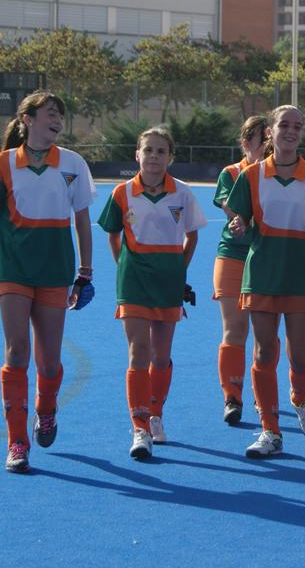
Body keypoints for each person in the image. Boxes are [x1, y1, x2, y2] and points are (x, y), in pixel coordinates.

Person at [0, 92, 95, 473]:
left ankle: (47, 408)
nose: (57, 120)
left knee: (50, 361)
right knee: (17, 352)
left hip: (55, 272)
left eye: (60, 115)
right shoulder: (3, 163)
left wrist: (85, 271)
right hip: (13, 271)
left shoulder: (73, 163)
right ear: (27, 119)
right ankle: (17, 442)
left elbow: (82, 220)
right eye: (50, 113)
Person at [225, 104, 305, 459]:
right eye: (284, 125)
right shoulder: (251, 175)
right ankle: (270, 429)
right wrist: (239, 227)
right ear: (270, 131)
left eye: (297, 126)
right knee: (264, 351)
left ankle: (300, 397)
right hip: (262, 275)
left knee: (299, 358)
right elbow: (240, 222)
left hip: (302, 275)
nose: (291, 131)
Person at [98, 127, 207, 460]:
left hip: (168, 284)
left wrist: (179, 269)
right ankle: (140, 427)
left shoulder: (183, 193)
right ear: (137, 155)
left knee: (161, 355)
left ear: (170, 157)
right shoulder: (121, 192)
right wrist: (123, 265)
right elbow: (113, 235)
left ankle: (156, 413)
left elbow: (192, 236)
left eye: (161, 151)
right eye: (148, 150)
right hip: (132, 282)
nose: (154, 156)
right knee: (138, 353)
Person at [214, 115, 270, 425]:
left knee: (265, 335)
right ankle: (232, 397)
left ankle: (265, 395)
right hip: (233, 256)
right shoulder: (231, 173)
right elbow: (232, 209)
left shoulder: (280, 174)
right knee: (235, 329)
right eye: (263, 140)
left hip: (267, 258)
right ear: (246, 143)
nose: (268, 146)